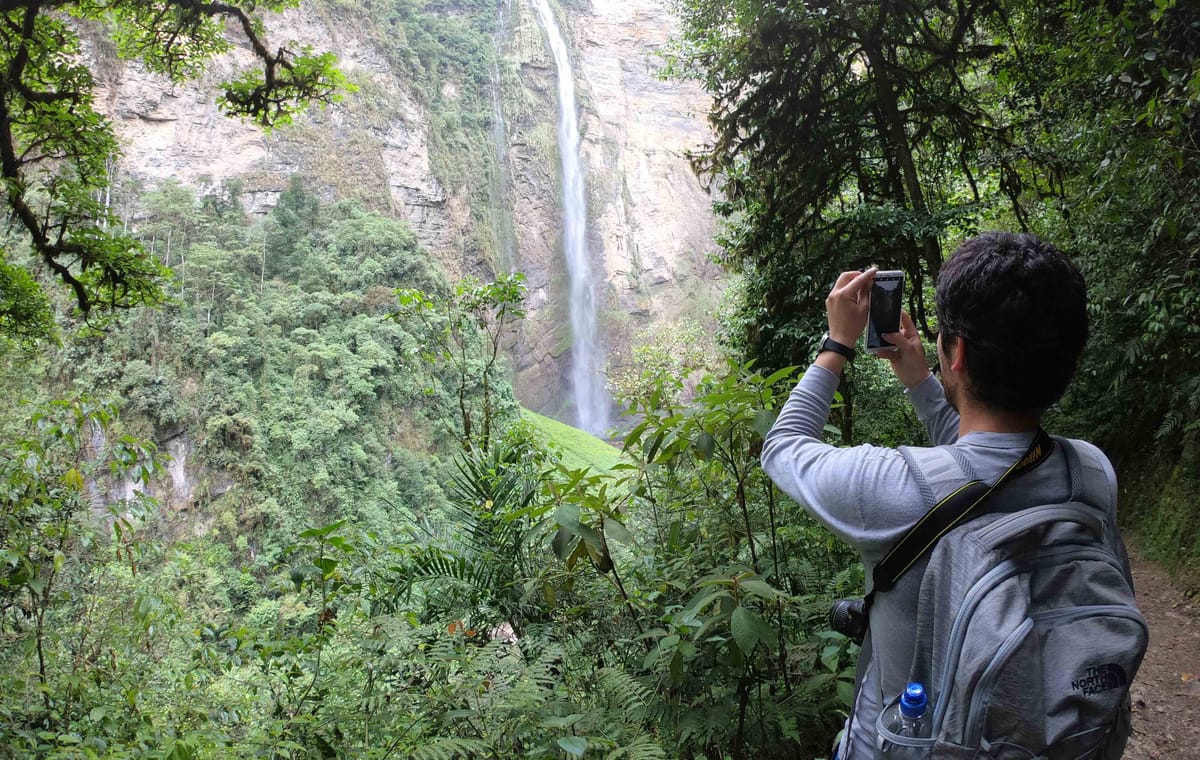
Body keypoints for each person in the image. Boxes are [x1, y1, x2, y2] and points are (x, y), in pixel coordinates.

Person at [759, 232, 1134, 759]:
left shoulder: (890, 489)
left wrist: (837, 343)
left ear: (955, 351)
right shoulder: (1090, 471)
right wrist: (917, 377)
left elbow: (782, 445)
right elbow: (988, 466)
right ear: (1068, 362)